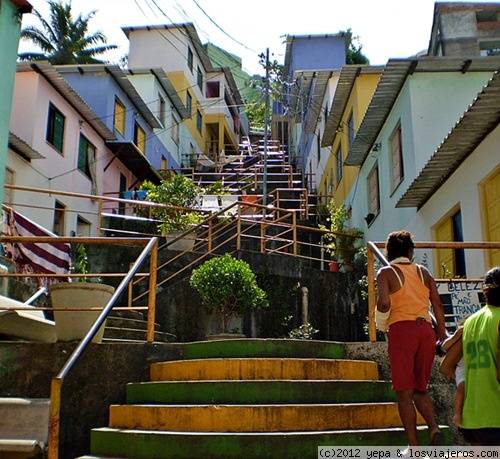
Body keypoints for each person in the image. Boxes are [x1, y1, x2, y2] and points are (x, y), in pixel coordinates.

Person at [376, 230, 447, 446]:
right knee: (420, 389)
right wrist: (442, 336)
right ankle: (434, 427)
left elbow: (384, 303)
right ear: (410, 251)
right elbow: (437, 304)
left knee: (404, 393)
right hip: (426, 330)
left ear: (388, 252)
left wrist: (381, 321)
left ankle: (414, 445)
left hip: (401, 331)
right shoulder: (424, 272)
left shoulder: (386, 273)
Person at [439, 266, 500, 445]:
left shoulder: (470, 322)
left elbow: (445, 367)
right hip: (495, 416)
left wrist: (474, 379)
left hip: (471, 419)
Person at [438, 324, 465, 426]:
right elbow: (442, 348)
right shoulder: (458, 339)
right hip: (462, 369)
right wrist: (455, 337)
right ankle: (457, 413)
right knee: (462, 387)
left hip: (474, 368)